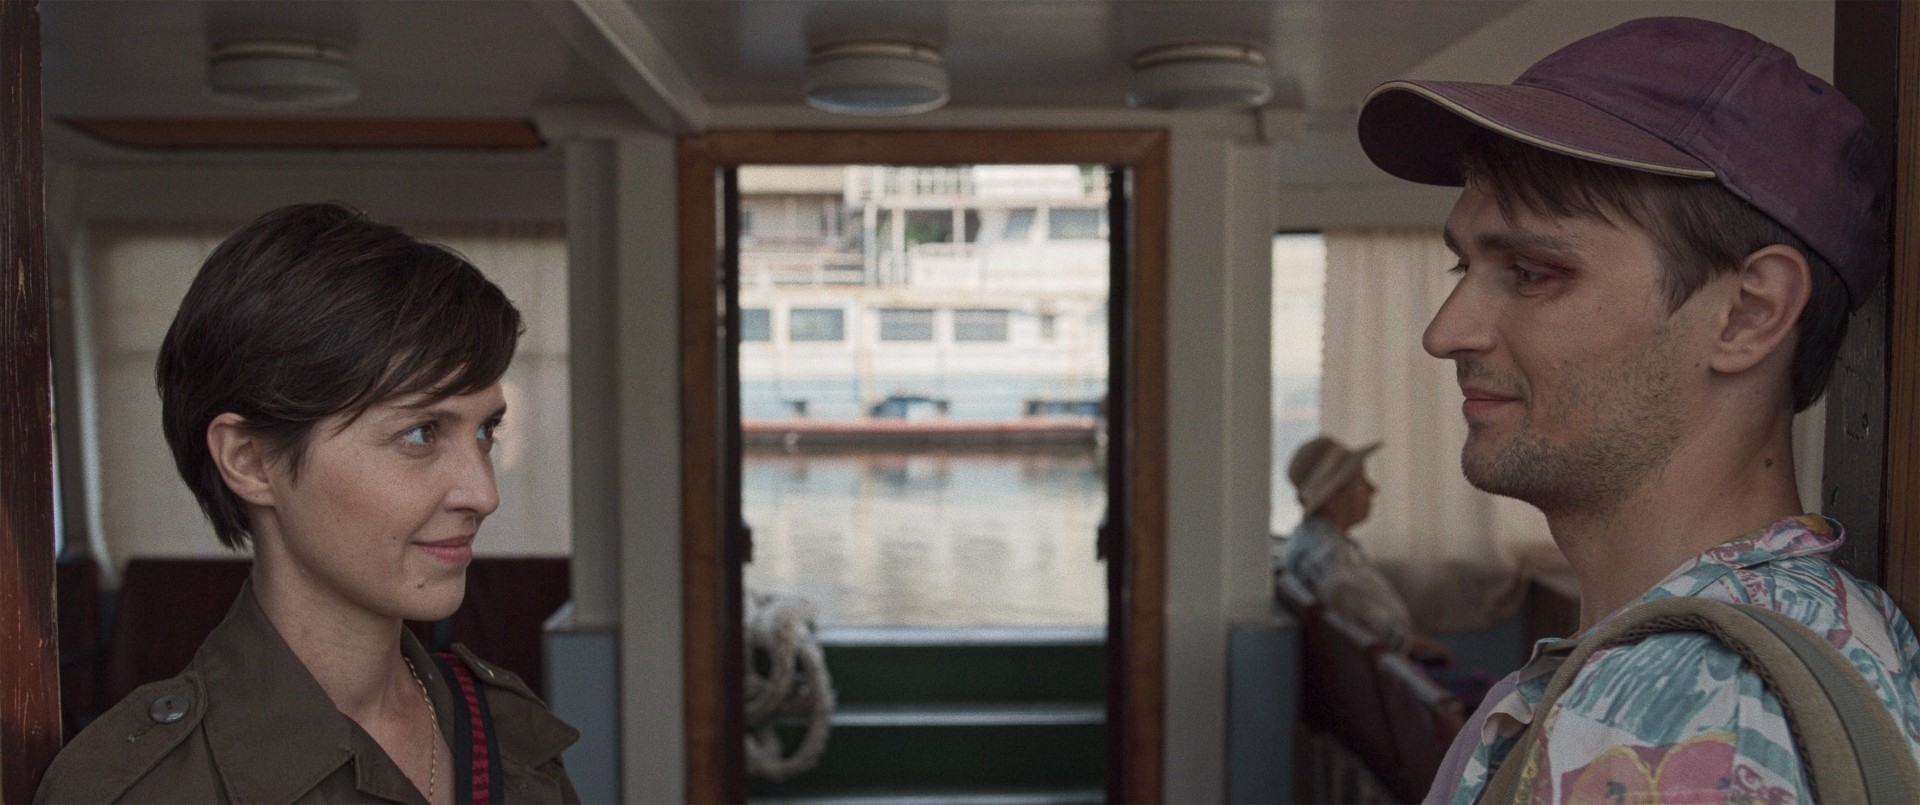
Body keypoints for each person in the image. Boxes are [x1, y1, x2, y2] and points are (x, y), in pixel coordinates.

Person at [1356, 16, 1920, 803]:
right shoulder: (1815, 628)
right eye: (1464, 265)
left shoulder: (1685, 731)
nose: (1444, 332)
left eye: (1531, 272)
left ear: (1749, 313)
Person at [36, 203, 579, 803]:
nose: (484, 494)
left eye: (484, 432)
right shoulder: (143, 790)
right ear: (249, 460)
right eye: (420, 433)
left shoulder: (507, 734)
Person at [1278, 435, 1454, 665]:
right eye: (1360, 479)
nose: (1373, 488)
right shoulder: (1327, 559)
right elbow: (1385, 640)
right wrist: (1427, 649)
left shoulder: (1318, 544)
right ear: (1333, 497)